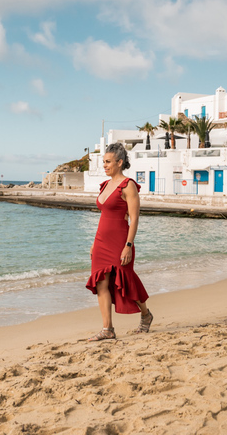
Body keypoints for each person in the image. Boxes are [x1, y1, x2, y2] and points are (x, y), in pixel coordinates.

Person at [86, 143, 152, 341]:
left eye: (107, 162)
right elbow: (104, 216)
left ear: (119, 162)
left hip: (120, 241)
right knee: (101, 284)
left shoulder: (128, 185)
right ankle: (108, 329)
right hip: (100, 241)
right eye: (103, 162)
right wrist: (93, 243)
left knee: (126, 278)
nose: (104, 165)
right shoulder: (105, 185)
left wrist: (128, 246)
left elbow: (134, 219)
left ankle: (146, 314)